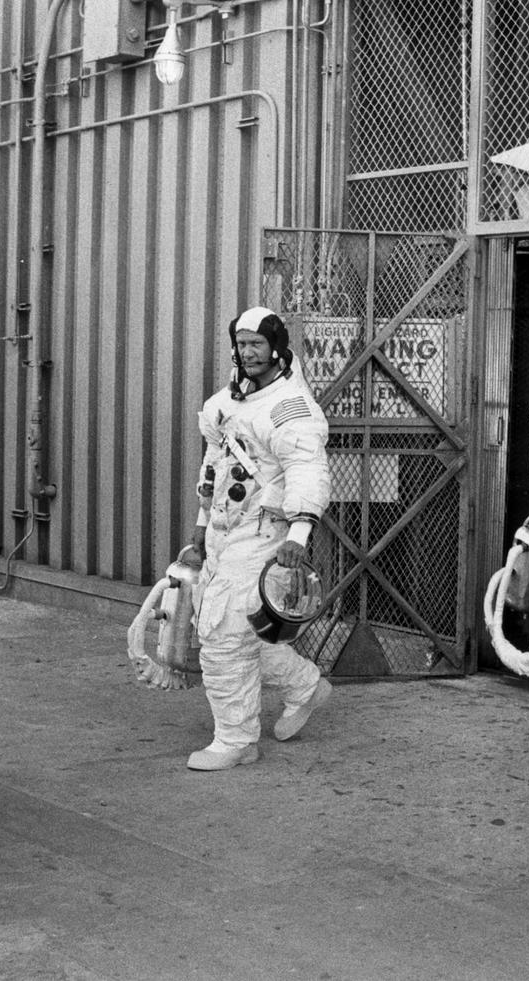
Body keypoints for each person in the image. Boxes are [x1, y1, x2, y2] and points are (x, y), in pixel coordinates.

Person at [187, 305, 333, 771]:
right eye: (241, 344)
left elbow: (307, 470)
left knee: (222, 634)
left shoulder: (291, 408)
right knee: (245, 627)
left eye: (256, 344)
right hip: (225, 531)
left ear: (276, 348)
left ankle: (236, 739)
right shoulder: (225, 404)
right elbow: (214, 465)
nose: (247, 352)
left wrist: (300, 532)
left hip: (265, 531)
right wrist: (201, 524)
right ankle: (305, 686)